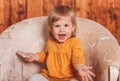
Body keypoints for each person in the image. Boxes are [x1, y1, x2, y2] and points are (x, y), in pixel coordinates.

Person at [17, 5, 95, 81]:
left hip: (69, 77)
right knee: (33, 78)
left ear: (73, 28)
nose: (61, 29)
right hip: (49, 77)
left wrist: (80, 66)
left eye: (66, 25)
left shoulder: (74, 42)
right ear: (51, 29)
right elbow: (46, 55)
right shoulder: (50, 42)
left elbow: (77, 57)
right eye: (57, 26)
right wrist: (35, 56)